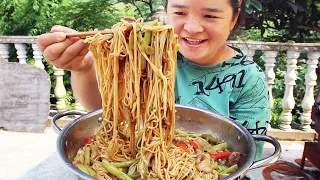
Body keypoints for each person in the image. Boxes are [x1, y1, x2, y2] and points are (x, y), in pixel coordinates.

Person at [37, 0, 270, 161]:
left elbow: (244, 155)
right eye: (179, 13)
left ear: (233, 18)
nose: (191, 27)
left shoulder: (249, 79)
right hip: (136, 155)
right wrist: (82, 67)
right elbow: (102, 109)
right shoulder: (145, 54)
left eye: (210, 15)